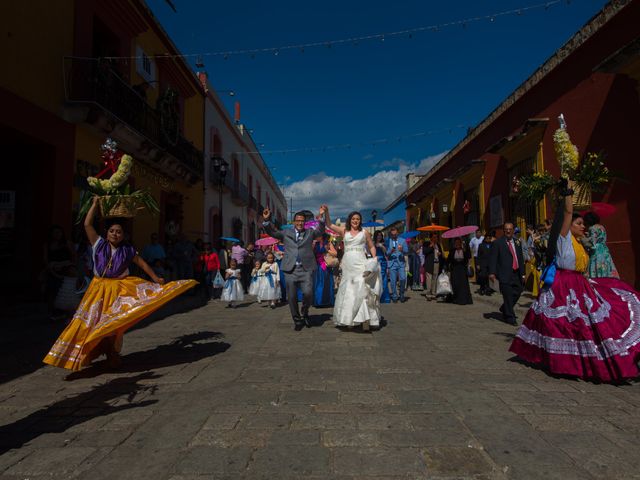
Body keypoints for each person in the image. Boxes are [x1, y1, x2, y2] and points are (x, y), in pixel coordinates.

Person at [43, 197, 197, 371]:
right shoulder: (98, 244)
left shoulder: (128, 250)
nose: (115, 234)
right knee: (89, 323)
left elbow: (142, 263)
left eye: (119, 232)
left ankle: (113, 355)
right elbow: (87, 225)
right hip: (97, 290)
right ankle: (82, 353)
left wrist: (155, 278)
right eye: (112, 231)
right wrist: (94, 205)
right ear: (107, 232)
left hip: (118, 290)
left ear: (124, 235)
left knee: (114, 325)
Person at [509, 185, 640, 382]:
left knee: (591, 324)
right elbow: (568, 212)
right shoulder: (564, 239)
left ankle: (589, 361)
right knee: (565, 325)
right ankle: (563, 362)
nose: (582, 226)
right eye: (578, 223)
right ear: (568, 226)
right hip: (563, 286)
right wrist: (568, 194)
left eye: (582, 224)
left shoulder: (580, 244)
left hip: (580, 286)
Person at [262, 208, 325, 330]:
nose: (300, 223)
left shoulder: (310, 233)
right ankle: (297, 320)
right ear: (294, 222)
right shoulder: (285, 233)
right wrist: (266, 220)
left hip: (306, 268)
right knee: (291, 296)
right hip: (290, 269)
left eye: (302, 221)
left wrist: (321, 219)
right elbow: (273, 232)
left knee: (308, 293)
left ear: (304, 222)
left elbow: (320, 231)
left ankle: (304, 312)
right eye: (298, 221)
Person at [323, 207, 381, 331]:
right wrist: (327, 212)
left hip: (361, 262)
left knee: (362, 287)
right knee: (348, 289)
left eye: (358, 219)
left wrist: (374, 259)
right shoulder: (344, 231)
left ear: (360, 221)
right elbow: (329, 224)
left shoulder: (364, 232)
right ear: (350, 220)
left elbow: (371, 246)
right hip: (348, 263)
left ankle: (365, 320)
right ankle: (348, 319)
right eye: (354, 219)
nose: (356, 221)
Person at [489, 222, 525, 325]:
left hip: (516, 273)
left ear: (513, 230)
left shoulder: (517, 242)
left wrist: (523, 274)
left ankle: (505, 308)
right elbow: (493, 259)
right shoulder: (498, 243)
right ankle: (510, 317)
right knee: (508, 296)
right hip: (504, 274)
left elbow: (520, 258)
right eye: (506, 229)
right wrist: (492, 272)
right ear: (503, 230)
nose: (508, 231)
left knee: (518, 291)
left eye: (510, 229)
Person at [43, 225, 75, 319]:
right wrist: (51, 268)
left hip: (66, 269)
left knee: (65, 291)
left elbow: (74, 256)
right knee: (52, 290)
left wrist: (70, 266)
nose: (57, 235)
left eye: (59, 232)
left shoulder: (67, 243)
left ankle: (64, 312)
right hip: (52, 269)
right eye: (55, 232)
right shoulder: (48, 245)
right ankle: (53, 311)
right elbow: (45, 259)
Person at [583, 211, 619, 279]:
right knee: (606, 266)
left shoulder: (592, 228)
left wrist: (585, 238)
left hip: (597, 251)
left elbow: (592, 243)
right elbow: (600, 237)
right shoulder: (602, 227)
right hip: (604, 250)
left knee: (597, 267)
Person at [446, 238, 473, 305]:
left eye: (459, 242)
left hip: (462, 269)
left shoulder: (464, 249)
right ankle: (457, 299)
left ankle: (464, 300)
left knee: (463, 285)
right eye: (456, 243)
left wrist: (465, 251)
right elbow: (448, 260)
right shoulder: (452, 251)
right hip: (455, 270)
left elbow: (469, 257)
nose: (457, 244)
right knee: (455, 284)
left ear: (461, 243)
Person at [313, 235, 336, 307]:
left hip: (325, 265)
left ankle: (326, 300)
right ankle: (318, 301)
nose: (317, 236)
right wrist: (312, 245)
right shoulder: (314, 243)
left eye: (318, 234)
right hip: (316, 266)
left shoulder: (328, 243)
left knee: (325, 283)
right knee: (317, 283)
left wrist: (327, 250)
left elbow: (335, 253)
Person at [386, 228, 406, 303]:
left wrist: (402, 250)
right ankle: (394, 295)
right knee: (393, 281)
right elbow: (386, 253)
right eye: (392, 235)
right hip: (392, 263)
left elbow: (407, 251)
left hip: (401, 263)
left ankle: (401, 294)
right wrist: (390, 251)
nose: (394, 236)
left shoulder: (403, 241)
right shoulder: (388, 241)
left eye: (395, 234)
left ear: (397, 233)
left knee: (403, 278)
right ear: (391, 234)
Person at [423, 233, 444, 301]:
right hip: (429, 264)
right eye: (434, 237)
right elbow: (424, 251)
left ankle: (433, 293)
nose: (436, 238)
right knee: (429, 278)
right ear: (431, 238)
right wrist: (431, 246)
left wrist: (440, 254)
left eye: (436, 237)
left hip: (436, 263)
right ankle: (428, 294)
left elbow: (441, 254)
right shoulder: (426, 243)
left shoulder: (438, 245)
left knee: (435, 278)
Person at [373, 231, 391, 303]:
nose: (379, 237)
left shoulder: (384, 243)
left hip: (383, 262)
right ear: (375, 236)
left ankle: (384, 297)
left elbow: (386, 253)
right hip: (376, 262)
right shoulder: (373, 243)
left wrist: (382, 246)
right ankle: (377, 296)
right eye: (378, 235)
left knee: (383, 279)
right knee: (376, 279)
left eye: (380, 235)